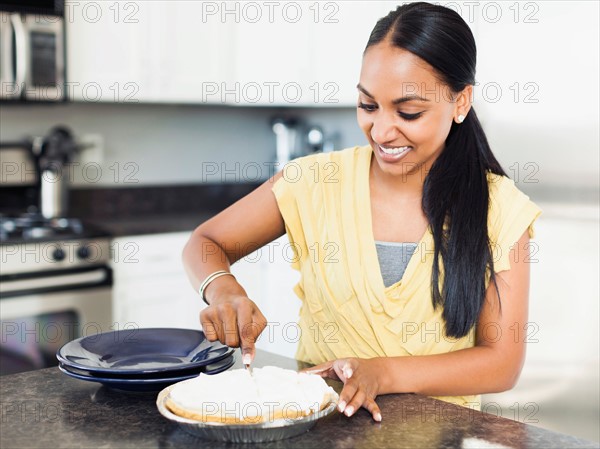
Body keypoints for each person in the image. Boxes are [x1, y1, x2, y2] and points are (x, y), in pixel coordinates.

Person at [182, 2, 542, 422]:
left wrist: (384, 373)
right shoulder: (313, 182)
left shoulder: (499, 208)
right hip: (323, 430)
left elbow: (501, 363)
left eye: (408, 112)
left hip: (443, 435)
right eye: (368, 106)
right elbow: (205, 242)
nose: (383, 131)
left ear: (461, 101)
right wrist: (224, 290)